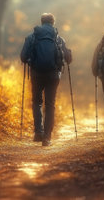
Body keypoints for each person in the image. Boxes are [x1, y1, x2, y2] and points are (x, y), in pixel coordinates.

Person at [20, 13, 72, 146]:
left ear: (42, 22)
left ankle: (38, 132)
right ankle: (47, 137)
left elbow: (23, 57)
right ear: (53, 23)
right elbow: (68, 59)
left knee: (37, 102)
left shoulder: (32, 37)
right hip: (53, 75)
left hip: (36, 73)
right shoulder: (59, 38)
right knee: (50, 104)